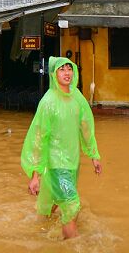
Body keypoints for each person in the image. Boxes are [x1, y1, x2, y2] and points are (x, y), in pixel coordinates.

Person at [21, 56, 102, 239]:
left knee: (52, 206)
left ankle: (38, 236)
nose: (67, 73)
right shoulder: (48, 102)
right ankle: (74, 246)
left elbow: (86, 127)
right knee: (72, 206)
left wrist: (94, 155)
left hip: (72, 163)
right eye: (62, 69)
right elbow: (38, 138)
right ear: (53, 74)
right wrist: (35, 174)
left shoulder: (77, 98)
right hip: (57, 165)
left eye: (69, 68)